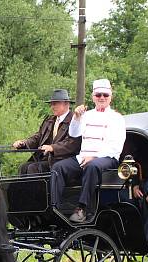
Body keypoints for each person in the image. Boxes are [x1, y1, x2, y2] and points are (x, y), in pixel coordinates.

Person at [50, 79, 126, 222]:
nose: (102, 98)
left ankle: (82, 208)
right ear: (93, 97)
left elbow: (116, 147)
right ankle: (55, 207)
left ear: (110, 97)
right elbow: (73, 133)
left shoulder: (117, 118)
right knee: (58, 168)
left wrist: (94, 156)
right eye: (98, 95)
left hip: (107, 158)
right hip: (83, 157)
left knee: (92, 166)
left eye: (105, 95)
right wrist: (77, 117)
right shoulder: (87, 115)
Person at [12, 89, 81, 175]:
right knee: (23, 167)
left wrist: (53, 148)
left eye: (55, 104)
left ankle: (37, 189)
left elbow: (72, 144)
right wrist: (24, 143)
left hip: (61, 160)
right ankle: (22, 189)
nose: (52, 107)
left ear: (66, 104)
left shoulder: (74, 121)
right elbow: (38, 137)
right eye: (51, 104)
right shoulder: (50, 120)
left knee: (33, 168)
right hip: (45, 159)